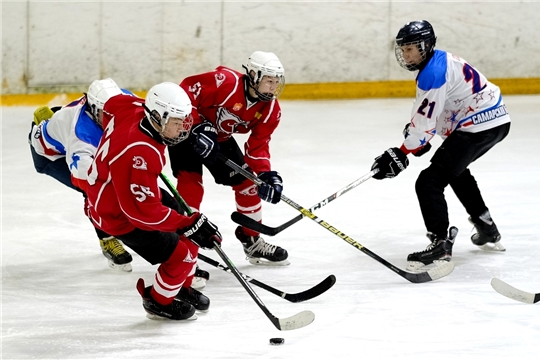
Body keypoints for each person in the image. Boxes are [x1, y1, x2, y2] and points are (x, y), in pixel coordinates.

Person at [370, 20, 511, 269]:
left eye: (410, 48)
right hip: (495, 120)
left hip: (477, 126)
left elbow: (424, 125)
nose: (405, 54)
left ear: (425, 46)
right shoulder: (441, 61)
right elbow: (437, 114)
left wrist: (402, 152)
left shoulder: (432, 73)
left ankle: (440, 245)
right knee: (455, 171)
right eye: (402, 49)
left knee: (428, 182)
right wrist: (417, 141)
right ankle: (486, 226)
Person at [86, 82, 223, 321]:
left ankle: (179, 285)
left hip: (124, 190)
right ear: (157, 117)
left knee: (192, 225)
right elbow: (141, 214)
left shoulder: (133, 107)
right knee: (182, 250)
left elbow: (110, 105)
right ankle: (158, 301)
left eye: (185, 121)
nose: (183, 129)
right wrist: (184, 224)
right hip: (115, 214)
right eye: (176, 123)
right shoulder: (138, 153)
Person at [167, 51, 289, 266]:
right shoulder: (225, 82)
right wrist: (197, 125)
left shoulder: (271, 109)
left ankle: (252, 241)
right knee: (190, 188)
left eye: (276, 81)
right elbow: (184, 91)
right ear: (253, 74)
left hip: (220, 140)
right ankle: (185, 254)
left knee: (249, 185)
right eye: (269, 81)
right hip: (185, 133)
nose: (273, 87)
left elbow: (258, 146)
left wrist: (265, 174)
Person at [29, 79, 134, 271]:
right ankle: (107, 240)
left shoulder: (125, 99)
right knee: (97, 189)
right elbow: (89, 176)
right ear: (94, 110)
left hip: (66, 126)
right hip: (52, 156)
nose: (112, 116)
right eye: (105, 113)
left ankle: (51, 119)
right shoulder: (81, 136)